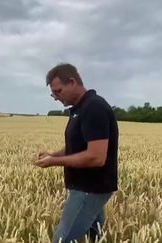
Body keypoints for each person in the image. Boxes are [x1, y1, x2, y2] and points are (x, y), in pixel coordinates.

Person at [34, 63, 119, 243]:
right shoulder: (81, 109)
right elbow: (77, 147)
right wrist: (53, 155)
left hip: (90, 188)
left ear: (72, 82)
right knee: (95, 237)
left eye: (58, 91)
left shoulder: (93, 108)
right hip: (86, 187)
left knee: (61, 240)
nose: (55, 97)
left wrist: (54, 162)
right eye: (52, 93)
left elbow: (96, 157)